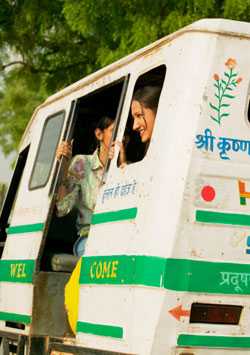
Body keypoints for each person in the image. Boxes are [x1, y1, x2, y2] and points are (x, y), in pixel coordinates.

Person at [56, 116, 126, 256]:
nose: (121, 138)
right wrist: (64, 166)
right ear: (99, 134)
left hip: (118, 237)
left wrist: (121, 166)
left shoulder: (126, 166)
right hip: (89, 239)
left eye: (124, 133)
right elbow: (62, 208)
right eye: (114, 131)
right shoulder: (82, 163)